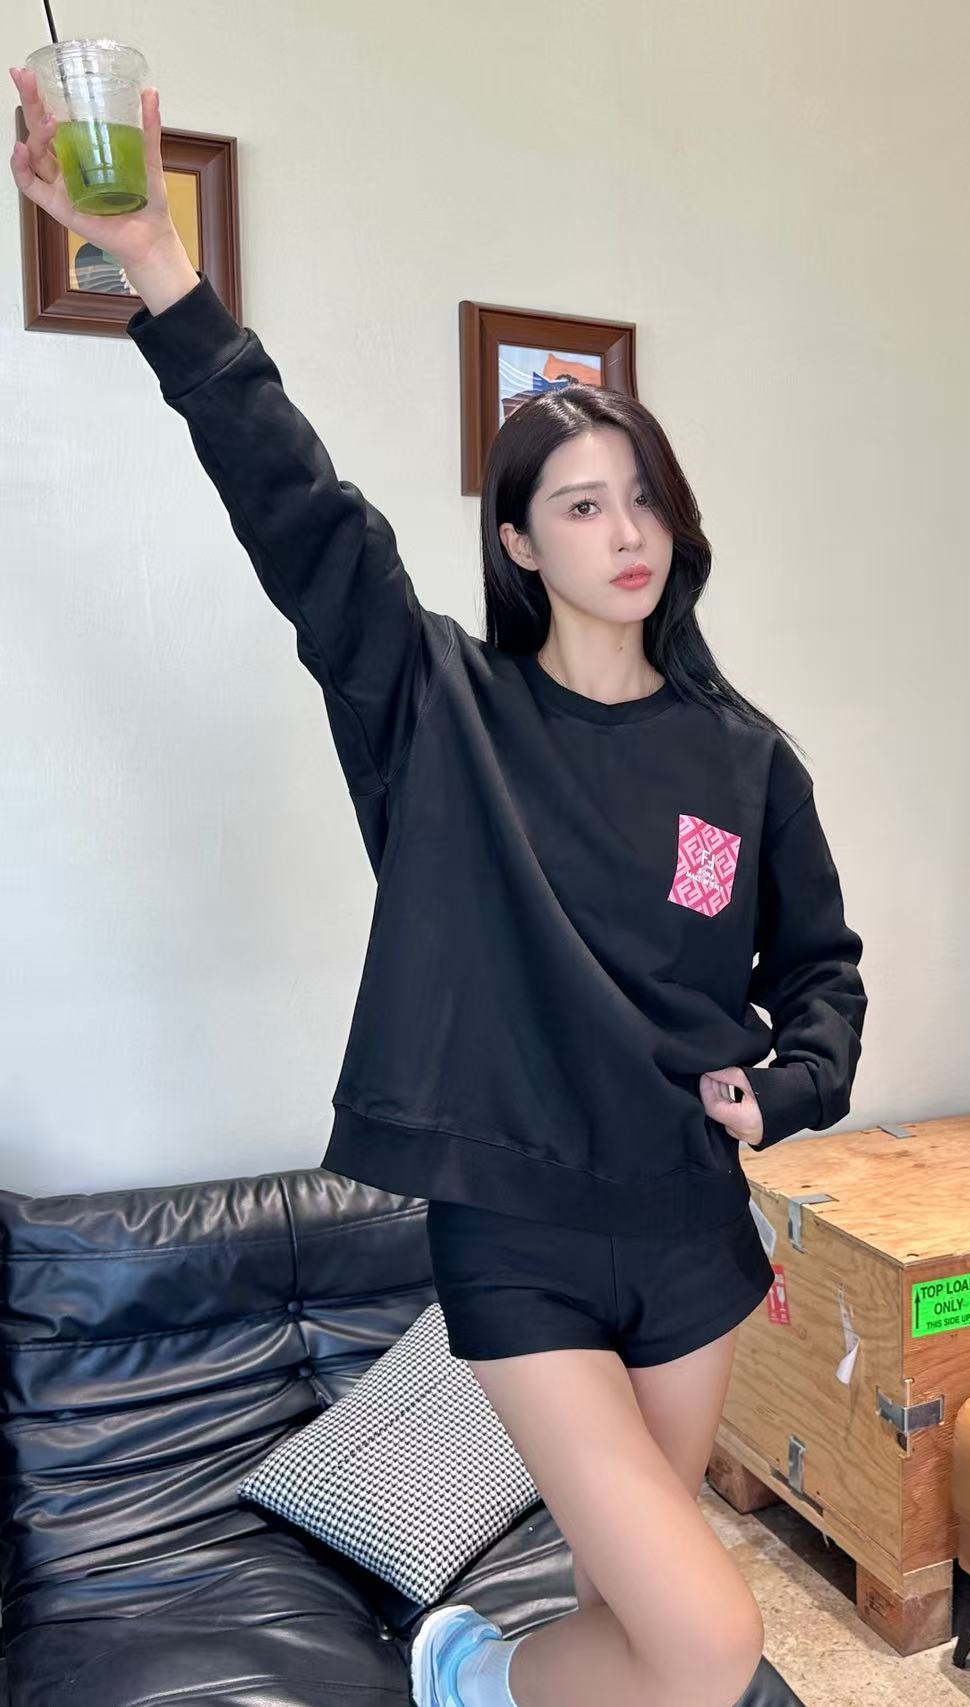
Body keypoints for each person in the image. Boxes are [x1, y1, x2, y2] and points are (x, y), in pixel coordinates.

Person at [10, 69, 869, 1707]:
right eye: (582, 504)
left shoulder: (748, 757)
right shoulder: (440, 708)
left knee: (637, 1622)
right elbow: (300, 510)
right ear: (521, 544)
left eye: (645, 496)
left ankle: (492, 1674)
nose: (626, 529)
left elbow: (823, 974)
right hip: (518, 1241)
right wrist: (155, 264)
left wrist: (790, 1084)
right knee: (712, 1645)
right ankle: (473, 1672)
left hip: (693, 1232)